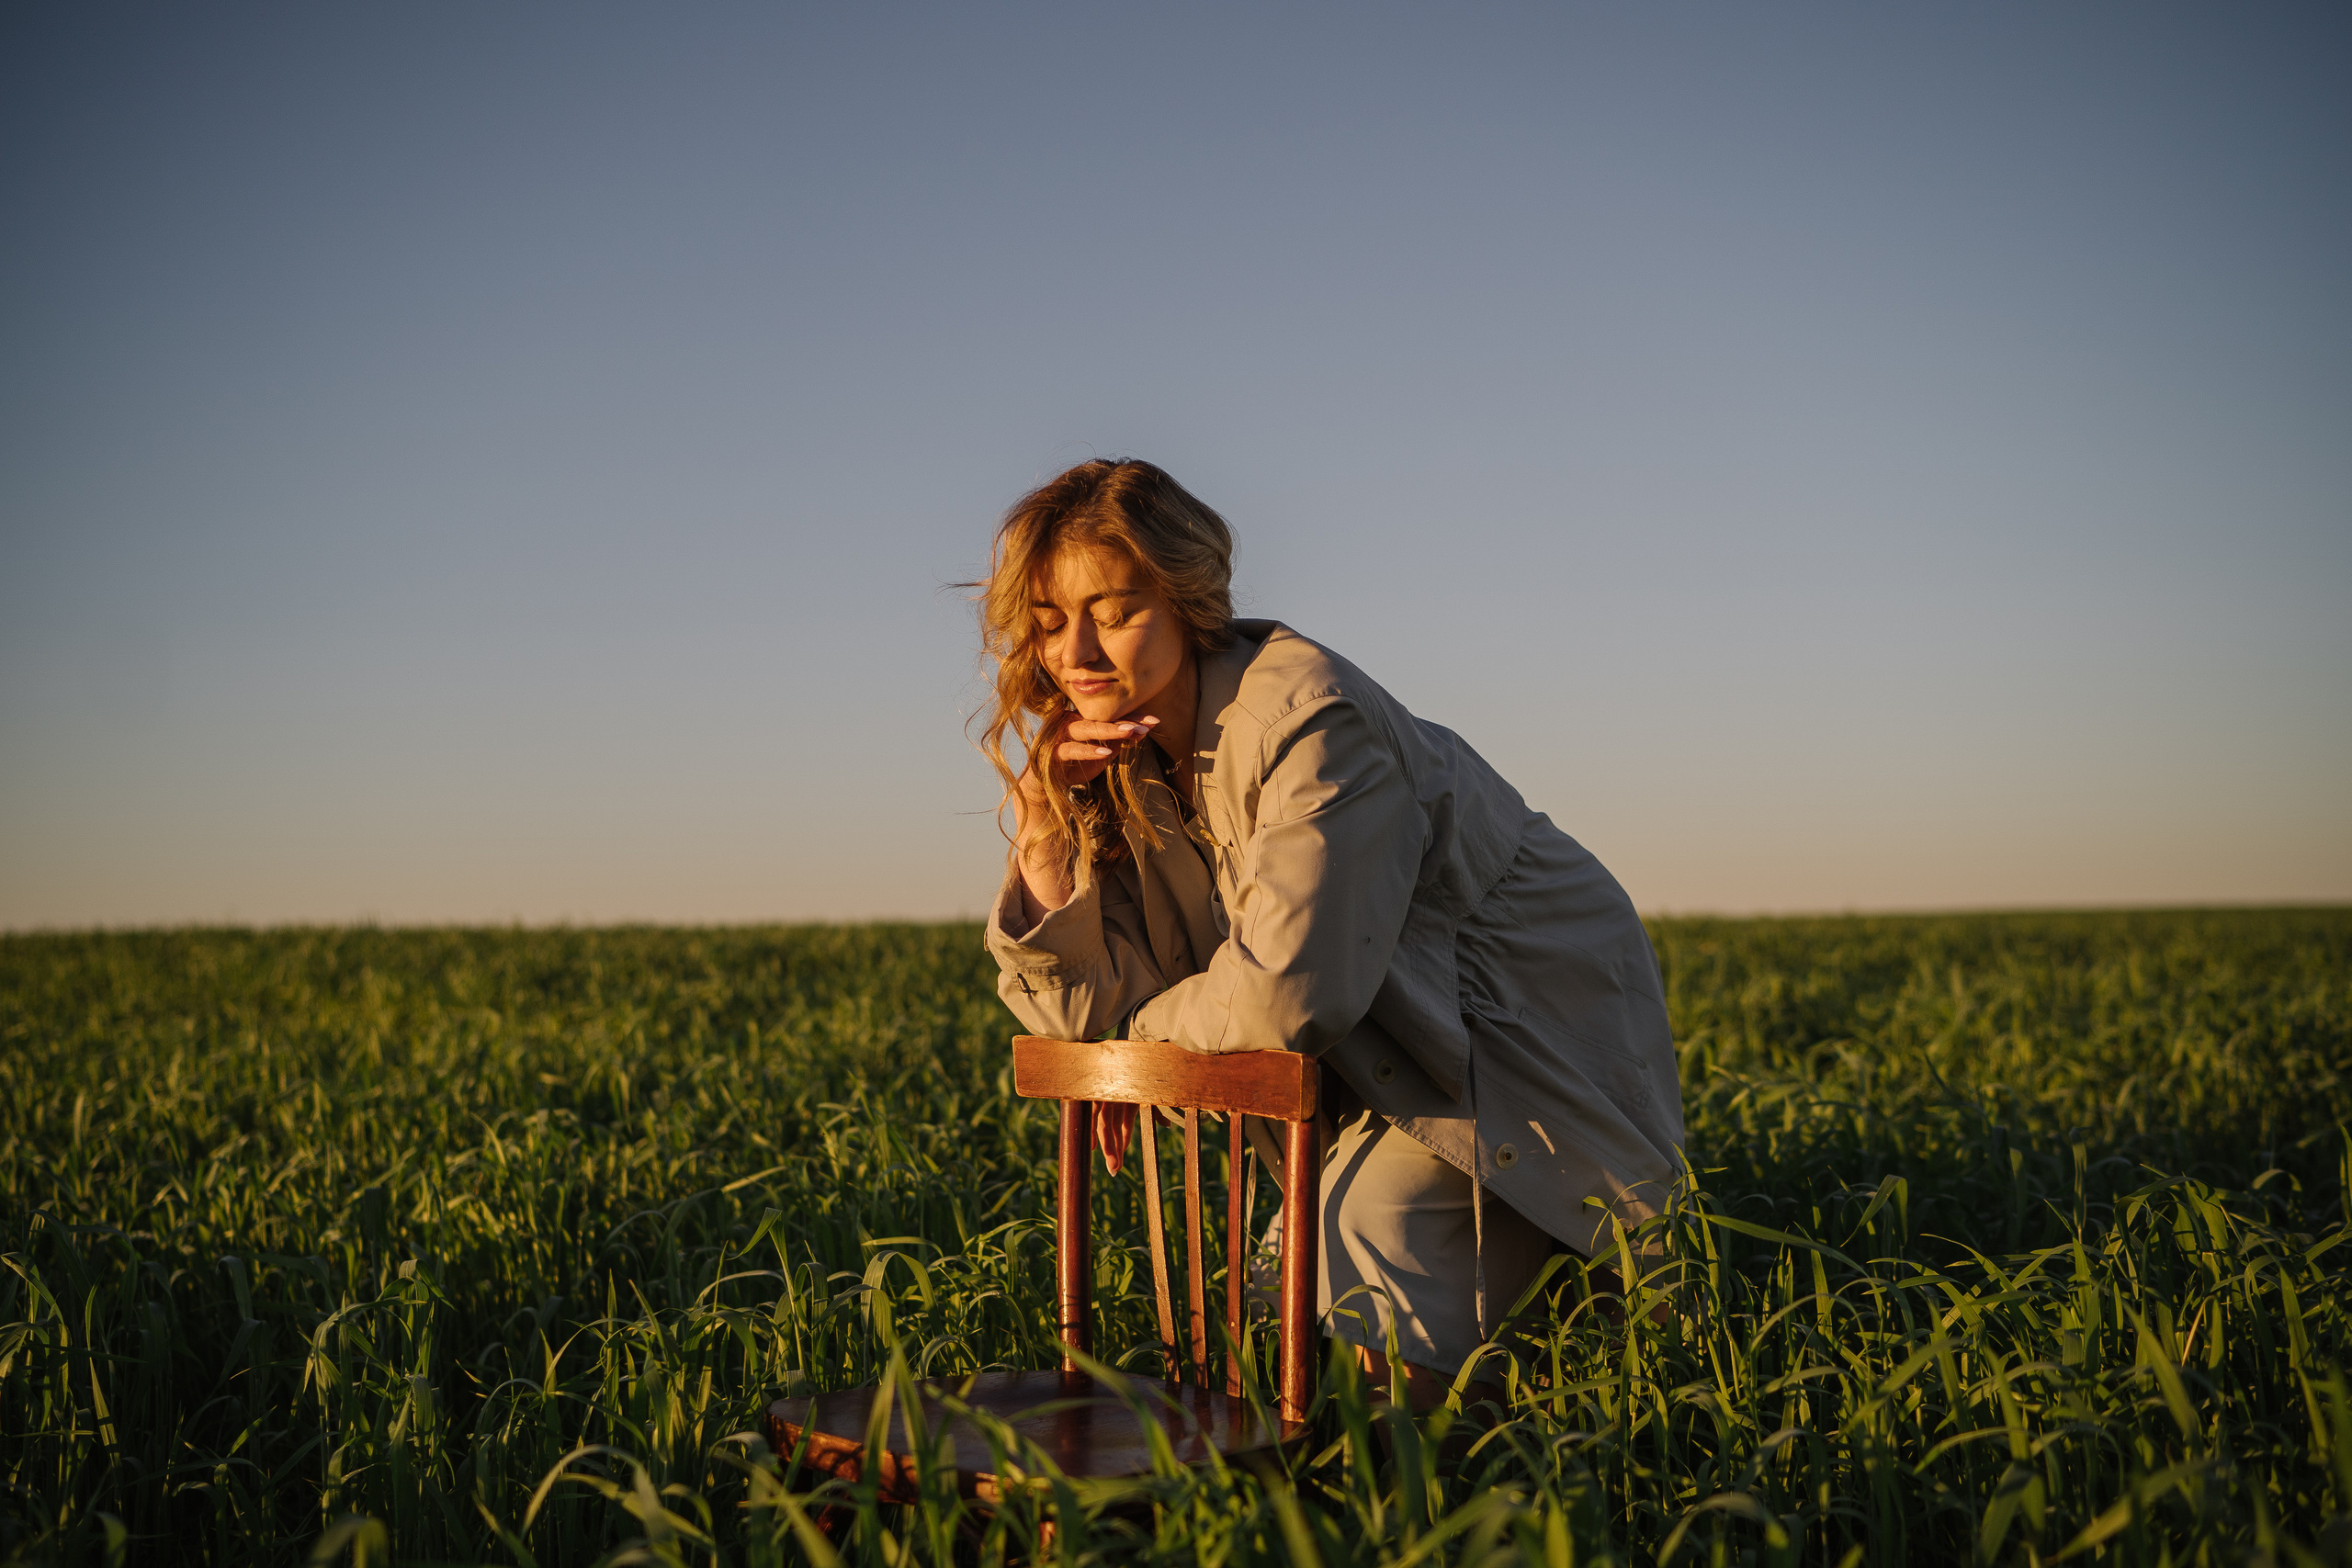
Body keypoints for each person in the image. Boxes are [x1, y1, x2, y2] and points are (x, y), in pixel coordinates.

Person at [976, 458, 1684, 1408]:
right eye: (1052, 621)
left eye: (1114, 608)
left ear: (1189, 600)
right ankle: (1412, 1485)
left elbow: (1283, 997)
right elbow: (1083, 1010)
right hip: (1377, 1045)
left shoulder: (1313, 720)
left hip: (1501, 1023)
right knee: (1304, 1306)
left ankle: (1449, 1511)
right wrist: (1042, 834)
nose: (1079, 653)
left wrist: (1132, 1052)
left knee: (1372, 1259)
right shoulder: (1114, 753)